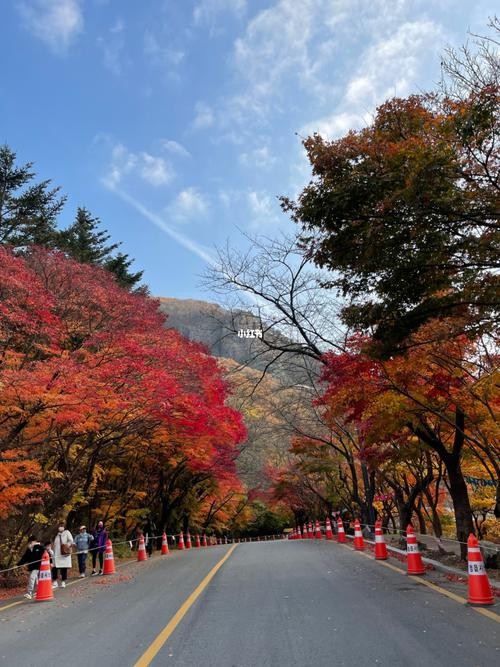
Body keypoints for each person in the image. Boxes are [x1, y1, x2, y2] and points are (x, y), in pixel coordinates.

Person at [52, 523, 73, 588]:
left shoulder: (67, 532)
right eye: (59, 526)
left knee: (64, 568)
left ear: (64, 527)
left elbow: (71, 540)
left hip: (64, 554)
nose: (60, 528)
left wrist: (66, 545)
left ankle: (63, 582)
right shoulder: (57, 535)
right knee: (54, 567)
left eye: (61, 526)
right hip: (56, 554)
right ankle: (55, 582)